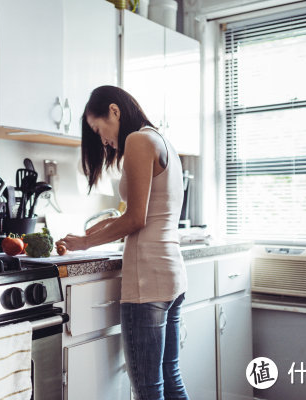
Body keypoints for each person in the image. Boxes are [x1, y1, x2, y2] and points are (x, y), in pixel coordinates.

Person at [56, 85, 189, 400]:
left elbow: (134, 220)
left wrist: (86, 243)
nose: (102, 139)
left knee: (148, 390)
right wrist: (89, 234)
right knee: (170, 382)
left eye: (99, 129)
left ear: (114, 111)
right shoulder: (160, 139)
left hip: (147, 284)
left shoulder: (138, 140)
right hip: (170, 276)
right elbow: (136, 214)